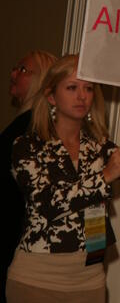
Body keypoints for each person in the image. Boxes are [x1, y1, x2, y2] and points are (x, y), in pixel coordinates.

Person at [6, 54, 120, 303]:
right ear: (51, 96)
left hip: (89, 277)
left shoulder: (98, 146)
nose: (82, 96)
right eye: (72, 88)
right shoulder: (27, 146)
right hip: (36, 278)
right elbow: (48, 203)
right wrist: (105, 175)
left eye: (88, 88)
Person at [0, 50, 57, 303]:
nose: (13, 74)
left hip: (23, 247)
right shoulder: (25, 124)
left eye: (22, 69)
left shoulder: (33, 129)